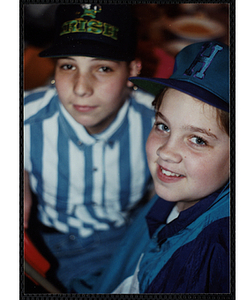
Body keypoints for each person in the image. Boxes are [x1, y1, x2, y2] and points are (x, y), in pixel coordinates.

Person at [24, 3, 155, 293]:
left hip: (129, 238)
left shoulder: (156, 122)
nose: (81, 88)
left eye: (103, 68)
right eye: (68, 66)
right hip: (54, 248)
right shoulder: (25, 118)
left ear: (132, 72)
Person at [106, 41, 230, 293]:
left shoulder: (204, 259)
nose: (166, 151)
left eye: (198, 140)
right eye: (163, 126)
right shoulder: (181, 190)